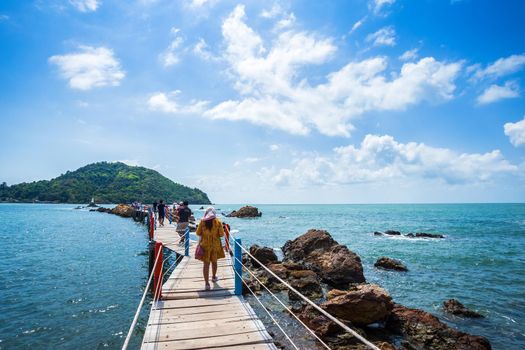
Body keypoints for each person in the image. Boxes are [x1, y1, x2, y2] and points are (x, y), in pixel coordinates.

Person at [196, 207, 225, 290]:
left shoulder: (202, 221)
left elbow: (198, 233)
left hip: (205, 246)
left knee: (206, 264)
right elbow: (221, 234)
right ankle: (213, 277)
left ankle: (207, 284)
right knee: (214, 262)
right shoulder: (218, 222)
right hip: (215, 246)